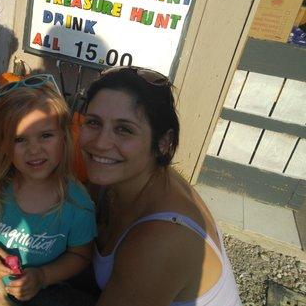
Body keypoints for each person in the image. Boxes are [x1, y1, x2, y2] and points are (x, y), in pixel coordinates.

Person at [78, 66, 242, 306]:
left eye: (124, 129)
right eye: (93, 122)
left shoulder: (162, 240)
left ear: (163, 142)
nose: (101, 143)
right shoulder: (123, 177)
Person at [0, 75, 97, 306]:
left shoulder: (77, 204)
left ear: (65, 136)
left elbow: (80, 255)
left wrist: (43, 276)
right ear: (3, 145)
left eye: (46, 135)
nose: (34, 150)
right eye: (20, 139)